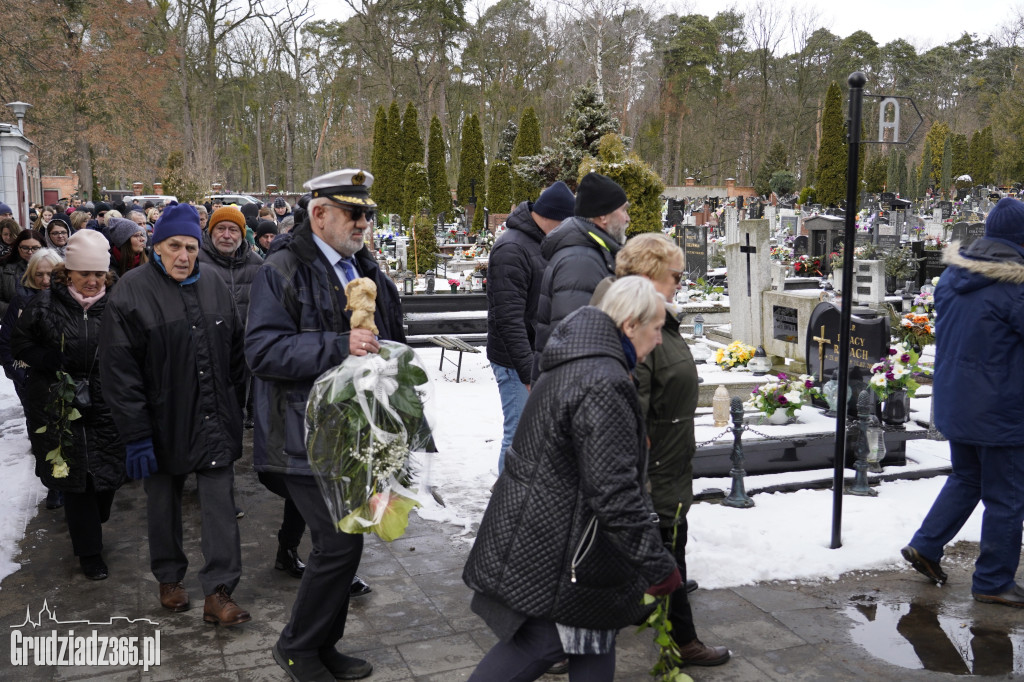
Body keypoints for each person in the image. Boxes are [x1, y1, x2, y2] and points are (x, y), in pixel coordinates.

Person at [463, 276, 680, 681]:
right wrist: (655, 563)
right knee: (544, 642)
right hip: (567, 547)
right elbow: (614, 492)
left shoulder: (579, 357)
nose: (660, 341)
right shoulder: (604, 381)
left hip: (562, 536)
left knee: (592, 639)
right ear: (630, 326)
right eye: (656, 329)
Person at [246, 168, 405, 682]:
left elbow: (388, 332)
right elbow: (262, 351)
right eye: (353, 213)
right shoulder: (283, 268)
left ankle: (323, 645)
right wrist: (339, 345)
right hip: (299, 432)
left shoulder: (362, 265)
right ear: (319, 214)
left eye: (367, 214)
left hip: (349, 431)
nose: (364, 223)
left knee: (348, 540)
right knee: (338, 542)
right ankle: (297, 648)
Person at [98, 202, 250, 626]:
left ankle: (220, 592)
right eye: (173, 246)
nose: (183, 255)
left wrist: (234, 405)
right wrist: (136, 434)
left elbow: (236, 353)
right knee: (163, 505)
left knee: (220, 505)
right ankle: (169, 578)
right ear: (156, 247)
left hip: (214, 419)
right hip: (161, 425)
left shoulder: (216, 284)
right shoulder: (131, 291)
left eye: (190, 246)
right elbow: (119, 370)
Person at [610, 233, 730, 665]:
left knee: (666, 555)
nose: (680, 282)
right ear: (648, 275)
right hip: (655, 469)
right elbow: (630, 416)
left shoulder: (660, 320)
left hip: (669, 462)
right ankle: (683, 640)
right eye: (674, 275)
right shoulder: (637, 328)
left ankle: (674, 636)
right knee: (665, 554)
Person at [902, 197, 1024, 608]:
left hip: (957, 399)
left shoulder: (955, 276)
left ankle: (926, 545)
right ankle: (993, 581)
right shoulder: (1015, 287)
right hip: (1004, 408)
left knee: (968, 477)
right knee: (1006, 497)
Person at [12, 231, 125, 580]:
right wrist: (47, 358)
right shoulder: (44, 304)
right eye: (84, 274)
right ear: (68, 273)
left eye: (98, 274)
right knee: (79, 483)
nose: (92, 281)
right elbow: (19, 344)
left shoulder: (119, 304)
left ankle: (96, 517)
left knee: (105, 481)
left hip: (107, 402)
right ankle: (89, 552)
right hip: (60, 403)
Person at [486, 181, 575, 473]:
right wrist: (528, 371)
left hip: (536, 357)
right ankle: (505, 508)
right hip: (516, 362)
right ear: (553, 217)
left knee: (533, 438)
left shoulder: (539, 242)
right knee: (518, 439)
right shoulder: (512, 248)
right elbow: (508, 318)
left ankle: (522, 503)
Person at [532, 172, 629, 380]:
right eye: (623, 210)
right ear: (603, 216)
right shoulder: (581, 260)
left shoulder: (590, 251)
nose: (627, 218)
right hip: (575, 387)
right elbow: (573, 339)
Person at [0, 247, 63, 509]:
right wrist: (22, 376)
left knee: (66, 430)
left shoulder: (68, 299)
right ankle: (54, 483)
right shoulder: (21, 301)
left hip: (64, 378)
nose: (45, 280)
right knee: (43, 433)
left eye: (51, 274)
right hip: (33, 380)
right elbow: (7, 343)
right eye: (39, 274)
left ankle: (68, 479)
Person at [197, 206, 262, 428]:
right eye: (221, 228)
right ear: (210, 231)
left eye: (233, 230)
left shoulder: (257, 264)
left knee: (235, 413)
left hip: (243, 354)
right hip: (204, 351)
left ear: (242, 233)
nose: (226, 235)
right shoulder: (196, 261)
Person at [0, 229, 45, 317]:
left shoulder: (53, 268)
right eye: (25, 248)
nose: (30, 252)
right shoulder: (4, 268)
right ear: (18, 248)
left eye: (35, 248)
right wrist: (17, 312)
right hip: (14, 322)